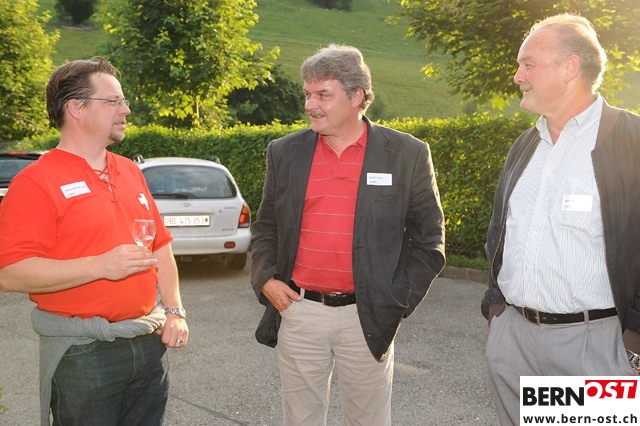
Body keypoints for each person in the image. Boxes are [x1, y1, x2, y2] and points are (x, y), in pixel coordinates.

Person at [250, 44, 445, 426]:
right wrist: (266, 279)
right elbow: (266, 227)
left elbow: (429, 240)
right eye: (308, 94)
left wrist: (395, 301)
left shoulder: (406, 153)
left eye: (323, 95)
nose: (310, 105)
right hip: (299, 311)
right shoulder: (285, 152)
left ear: (357, 96)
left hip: (367, 315)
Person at [0, 57, 189, 426]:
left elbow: (160, 246)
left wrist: (174, 311)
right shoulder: (35, 182)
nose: (126, 109)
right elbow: (9, 273)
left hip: (147, 339)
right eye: (114, 101)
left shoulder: (130, 170)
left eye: (123, 101)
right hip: (83, 351)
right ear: (77, 108)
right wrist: (101, 266)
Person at [481, 13, 640, 425]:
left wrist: (634, 340)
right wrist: (496, 310)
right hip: (514, 341)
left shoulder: (631, 141)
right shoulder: (525, 145)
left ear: (570, 67)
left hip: (593, 347)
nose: (518, 76)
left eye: (528, 64)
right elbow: (500, 234)